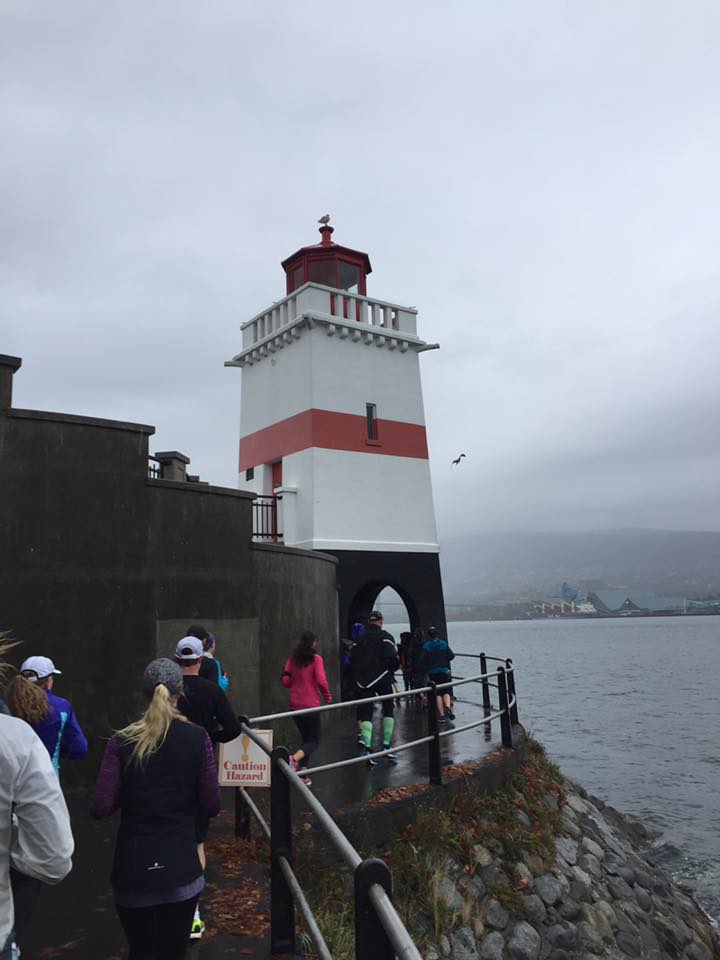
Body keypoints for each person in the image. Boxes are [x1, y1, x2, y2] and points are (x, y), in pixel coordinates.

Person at [90, 658, 220, 960]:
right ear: (179, 695)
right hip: (181, 867)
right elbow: (212, 803)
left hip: (133, 870)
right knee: (174, 952)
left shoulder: (121, 741)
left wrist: (132, 791)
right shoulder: (197, 738)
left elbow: (100, 806)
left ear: (145, 694)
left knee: (141, 951)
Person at [1, 638, 74, 960]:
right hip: (40, 793)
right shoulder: (21, 731)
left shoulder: (10, 702)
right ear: (48, 681)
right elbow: (54, 859)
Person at [174, 636, 240, 938]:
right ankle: (192, 911)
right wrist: (212, 737)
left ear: (176, 660)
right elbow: (233, 728)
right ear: (201, 660)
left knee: (173, 835)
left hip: (169, 771)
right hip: (202, 770)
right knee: (197, 840)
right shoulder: (212, 691)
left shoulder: (167, 691)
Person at [5, 656, 88, 777]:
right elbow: (78, 749)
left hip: (7, 779)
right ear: (48, 681)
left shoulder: (6, 705)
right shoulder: (61, 706)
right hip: (47, 781)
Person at [280, 631, 332, 786]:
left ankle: (303, 773)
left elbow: (286, 681)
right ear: (314, 643)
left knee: (306, 739)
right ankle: (293, 759)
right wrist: (327, 696)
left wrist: (296, 682)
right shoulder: (316, 659)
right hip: (310, 706)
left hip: (295, 706)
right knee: (314, 740)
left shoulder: (293, 659)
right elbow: (321, 680)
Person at [349, 611, 399, 764]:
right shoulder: (386, 637)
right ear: (381, 621)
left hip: (363, 681)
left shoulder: (360, 639)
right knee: (388, 709)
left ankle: (368, 750)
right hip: (383, 678)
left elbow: (352, 658)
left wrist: (358, 676)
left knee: (366, 713)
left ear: (369, 622)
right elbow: (392, 657)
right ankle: (386, 747)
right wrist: (391, 670)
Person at [422, 626, 455, 721]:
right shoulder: (443, 644)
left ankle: (441, 715)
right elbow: (452, 656)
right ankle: (448, 707)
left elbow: (423, 660)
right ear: (437, 634)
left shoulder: (426, 646)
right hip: (444, 671)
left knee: (438, 694)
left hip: (433, 673)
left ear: (429, 635)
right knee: (446, 692)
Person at [186, 625, 229, 690]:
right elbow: (218, 687)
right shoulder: (212, 663)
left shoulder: (182, 659)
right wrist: (224, 679)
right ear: (212, 645)